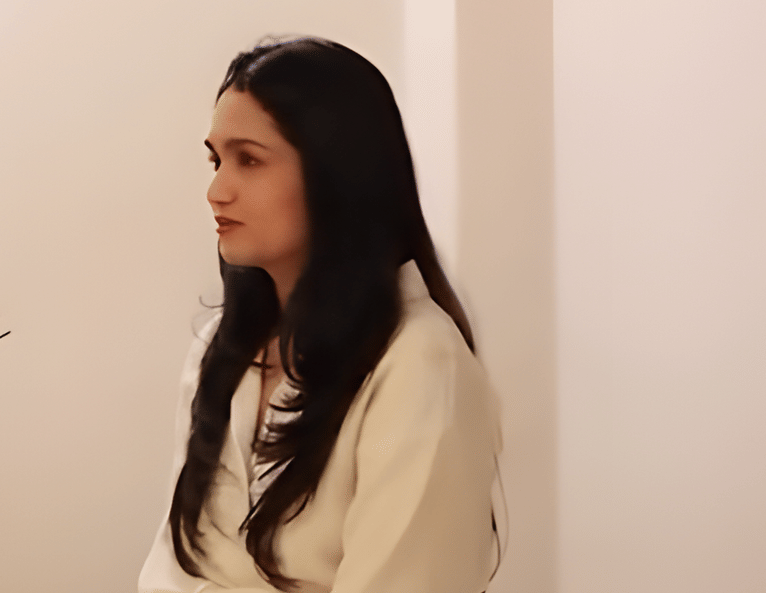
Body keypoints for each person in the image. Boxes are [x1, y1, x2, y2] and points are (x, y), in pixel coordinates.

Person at [139, 37, 502, 593]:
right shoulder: (221, 349)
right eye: (216, 159)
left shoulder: (421, 365)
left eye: (249, 160)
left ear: (339, 175)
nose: (216, 190)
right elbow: (168, 574)